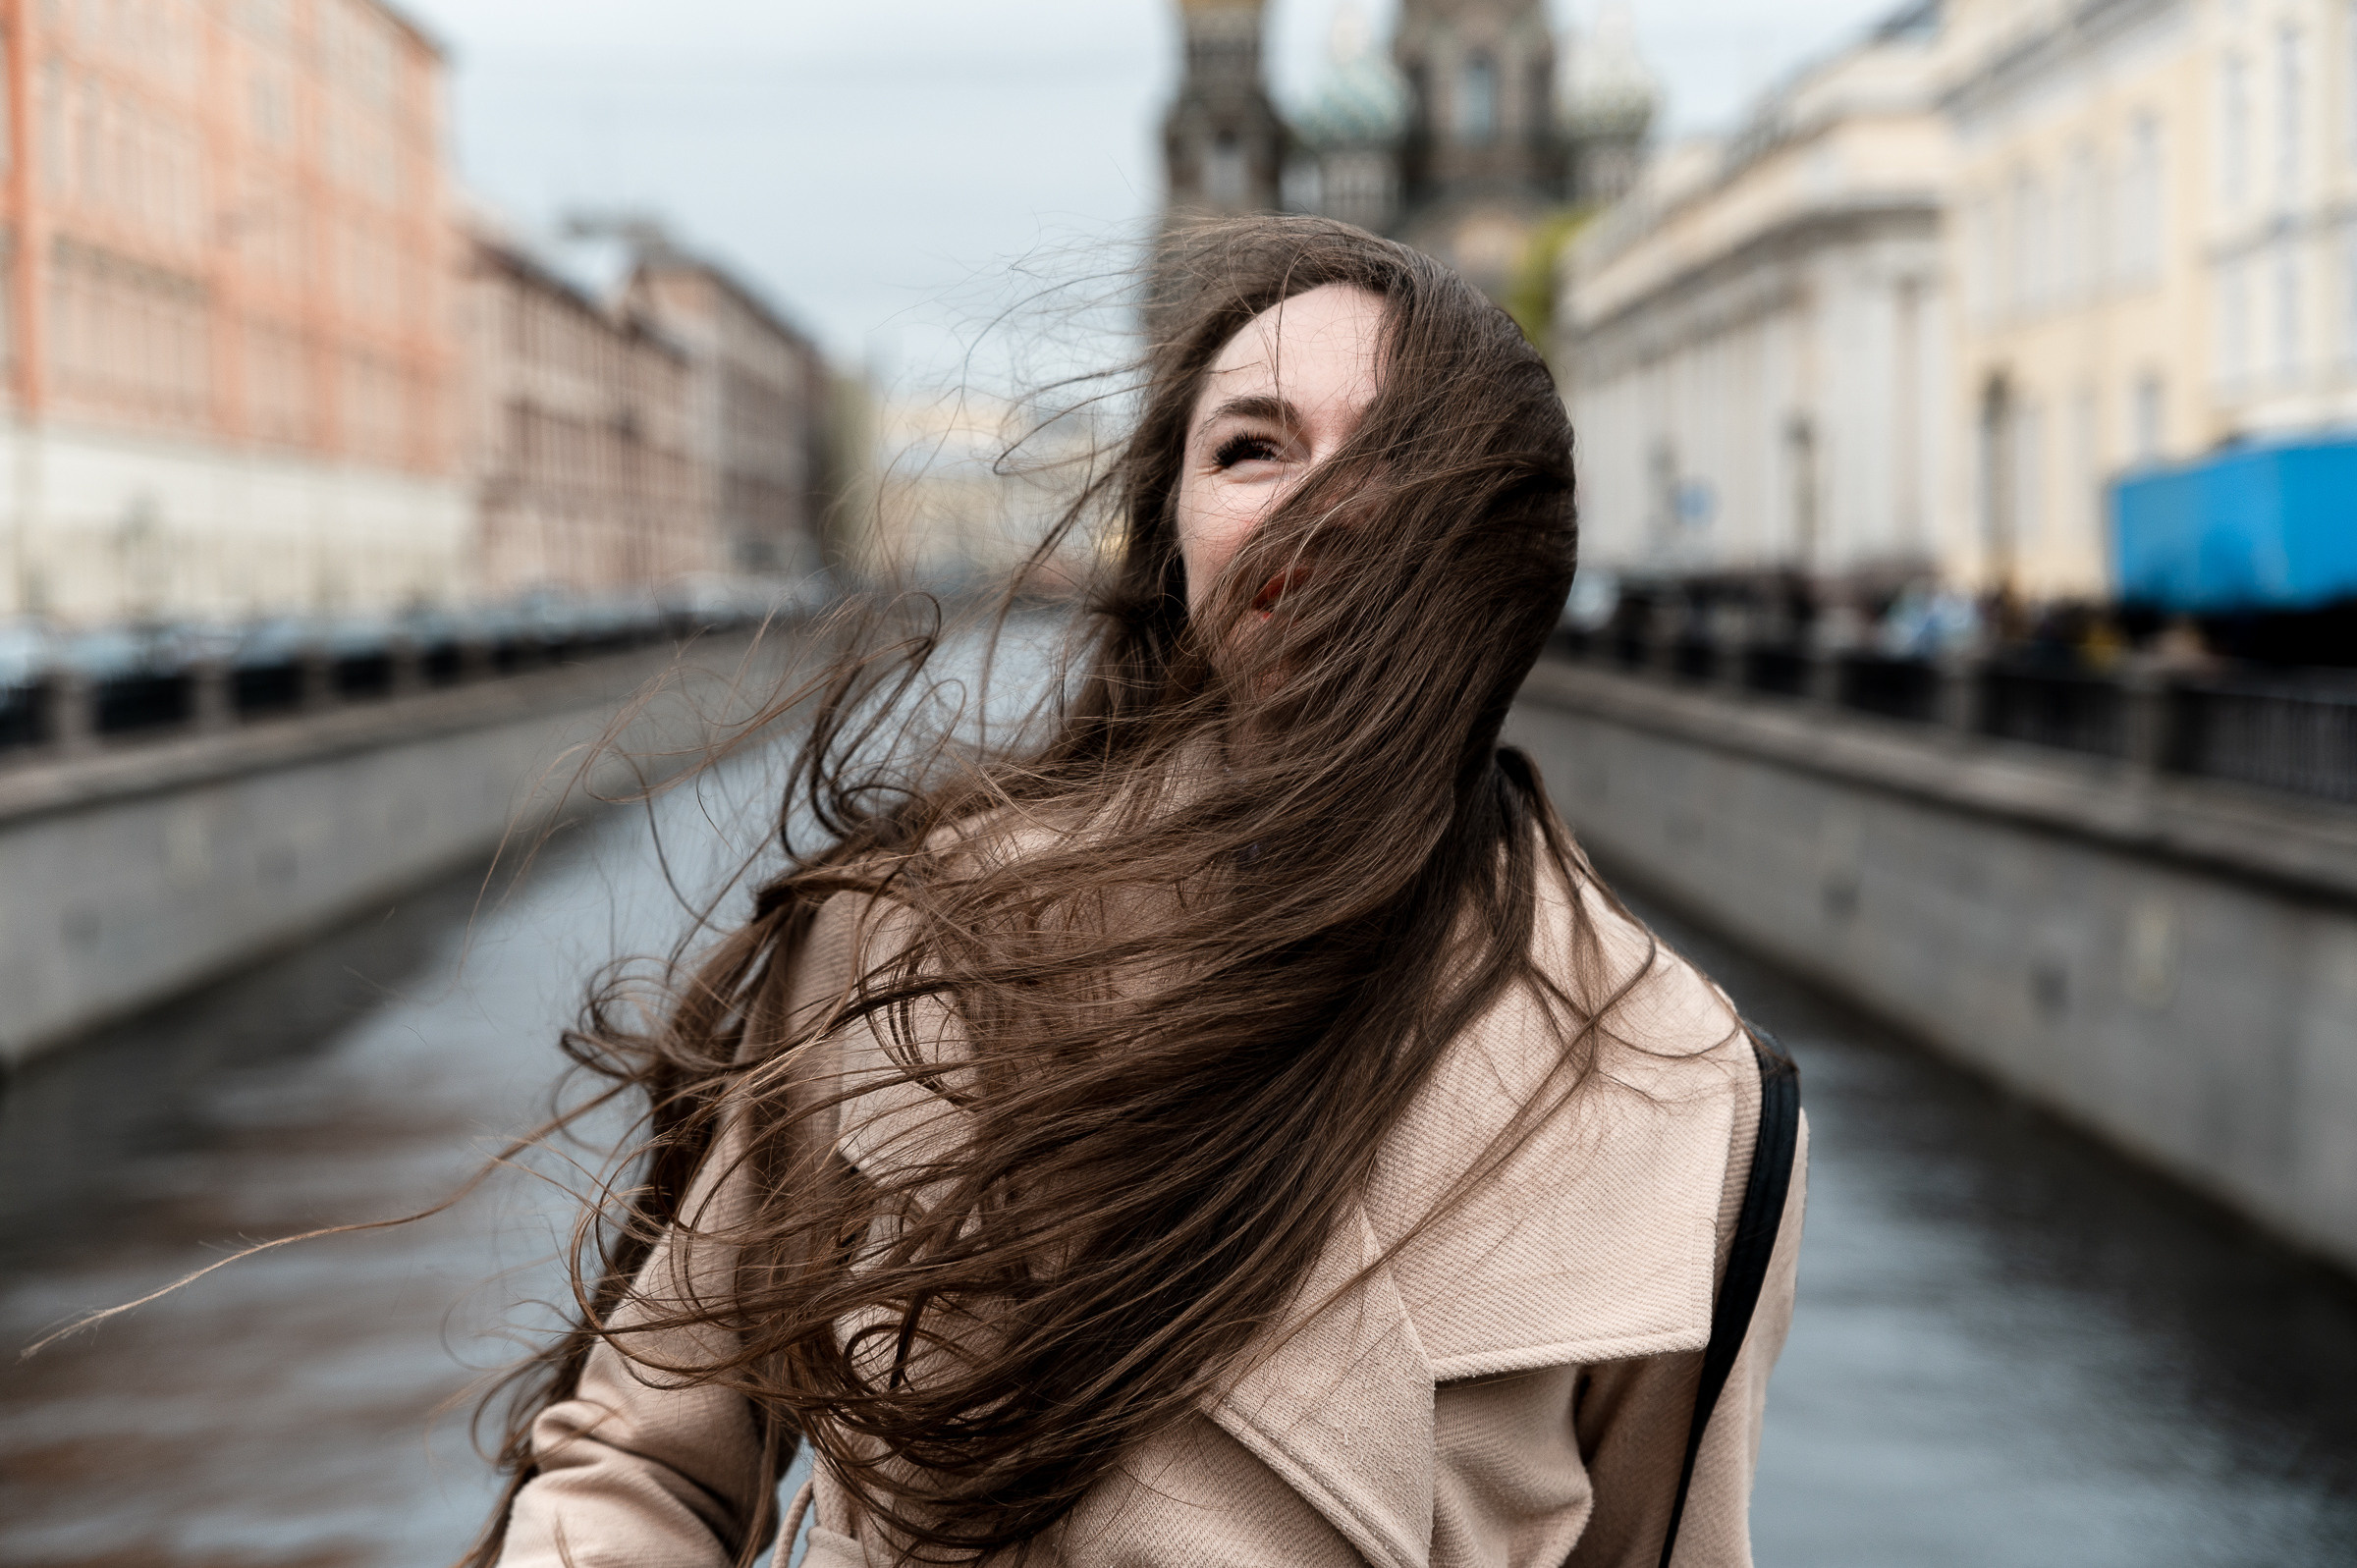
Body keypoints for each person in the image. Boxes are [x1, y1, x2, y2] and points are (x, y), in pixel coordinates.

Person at [472, 217, 1807, 1568]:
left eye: (1404, 455)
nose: (1317, 505)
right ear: (1178, 541)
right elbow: (643, 1461)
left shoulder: (1685, 1096)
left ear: (1506, 548)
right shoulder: (915, 934)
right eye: (1251, 447)